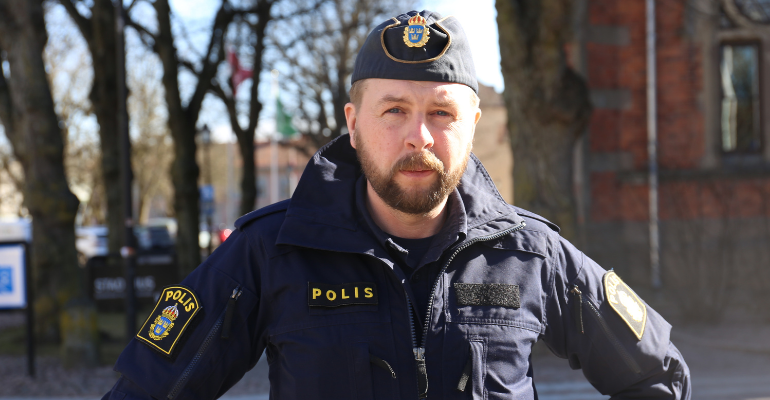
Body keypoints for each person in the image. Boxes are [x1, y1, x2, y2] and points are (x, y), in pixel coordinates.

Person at [103, 10, 690, 400]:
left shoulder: (531, 254)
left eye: (442, 113)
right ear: (354, 124)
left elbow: (660, 376)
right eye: (394, 111)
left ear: (473, 125)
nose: (419, 137)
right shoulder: (269, 253)